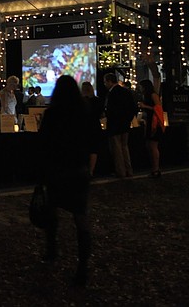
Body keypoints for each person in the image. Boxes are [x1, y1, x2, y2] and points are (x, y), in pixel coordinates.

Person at [37, 75, 102, 287]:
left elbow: (44, 144)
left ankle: (51, 250)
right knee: (81, 218)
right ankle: (82, 266)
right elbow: (94, 141)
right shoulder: (84, 113)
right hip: (79, 169)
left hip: (57, 169)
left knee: (52, 211)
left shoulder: (52, 114)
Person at [103, 72, 135, 178]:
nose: (104, 84)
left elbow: (110, 110)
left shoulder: (111, 94)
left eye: (105, 82)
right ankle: (128, 170)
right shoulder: (125, 92)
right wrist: (128, 119)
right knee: (125, 147)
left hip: (114, 125)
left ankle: (120, 171)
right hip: (125, 124)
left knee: (117, 149)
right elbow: (132, 107)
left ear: (109, 81)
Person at [138, 79, 165, 178]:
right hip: (149, 121)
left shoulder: (153, 95)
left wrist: (145, 106)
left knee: (153, 146)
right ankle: (154, 167)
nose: (139, 88)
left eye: (141, 86)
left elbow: (158, 108)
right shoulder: (146, 95)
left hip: (154, 122)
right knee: (150, 145)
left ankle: (156, 168)